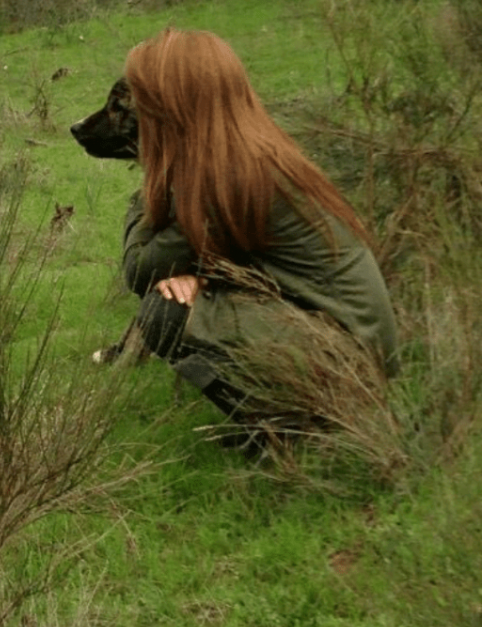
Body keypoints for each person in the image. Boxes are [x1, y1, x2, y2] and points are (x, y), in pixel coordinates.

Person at [122, 27, 398, 430]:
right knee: (181, 301)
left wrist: (145, 190)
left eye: (145, 102)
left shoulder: (226, 179)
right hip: (359, 351)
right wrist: (203, 277)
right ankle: (298, 418)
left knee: (165, 313)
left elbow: (140, 270)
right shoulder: (251, 153)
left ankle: (291, 431)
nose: (140, 114)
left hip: (350, 363)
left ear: (175, 106)